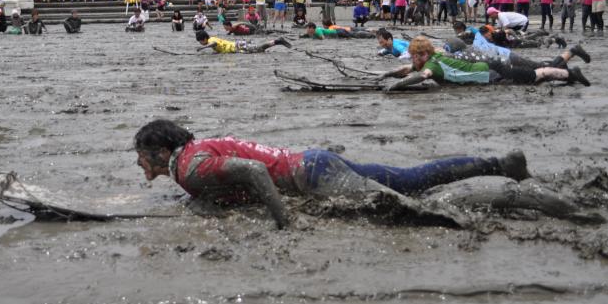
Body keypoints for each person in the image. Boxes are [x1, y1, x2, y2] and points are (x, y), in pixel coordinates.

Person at [133, 120, 533, 229]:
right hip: (314, 161)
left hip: (314, 177)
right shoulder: (197, 153)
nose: (139, 164)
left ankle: (505, 202)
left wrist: (283, 222)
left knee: (410, 206)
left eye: (141, 156)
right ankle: (499, 165)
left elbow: (254, 171)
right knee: (411, 178)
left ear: (161, 152)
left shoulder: (191, 168)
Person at [380, 36, 590, 90]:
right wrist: (385, 75)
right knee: (538, 73)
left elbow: (419, 76)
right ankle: (570, 57)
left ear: (424, 55)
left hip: (495, 66)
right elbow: (408, 69)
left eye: (415, 56)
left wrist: (396, 84)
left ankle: (573, 72)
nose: (413, 59)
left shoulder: (432, 65)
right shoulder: (433, 59)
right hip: (492, 66)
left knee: (538, 75)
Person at [196, 30, 290, 54]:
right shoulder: (211, 38)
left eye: (200, 41)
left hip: (237, 47)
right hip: (237, 46)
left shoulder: (211, 40)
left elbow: (214, 44)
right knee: (260, 49)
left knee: (260, 48)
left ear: (204, 39)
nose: (200, 43)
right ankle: (277, 42)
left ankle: (278, 41)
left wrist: (203, 47)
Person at [304, 23, 373, 40]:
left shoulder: (317, 30)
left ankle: (371, 35)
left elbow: (323, 38)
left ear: (311, 28)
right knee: (355, 35)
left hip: (339, 33)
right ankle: (370, 34)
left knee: (356, 35)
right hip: (338, 32)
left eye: (307, 28)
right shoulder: (314, 32)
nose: (307, 30)